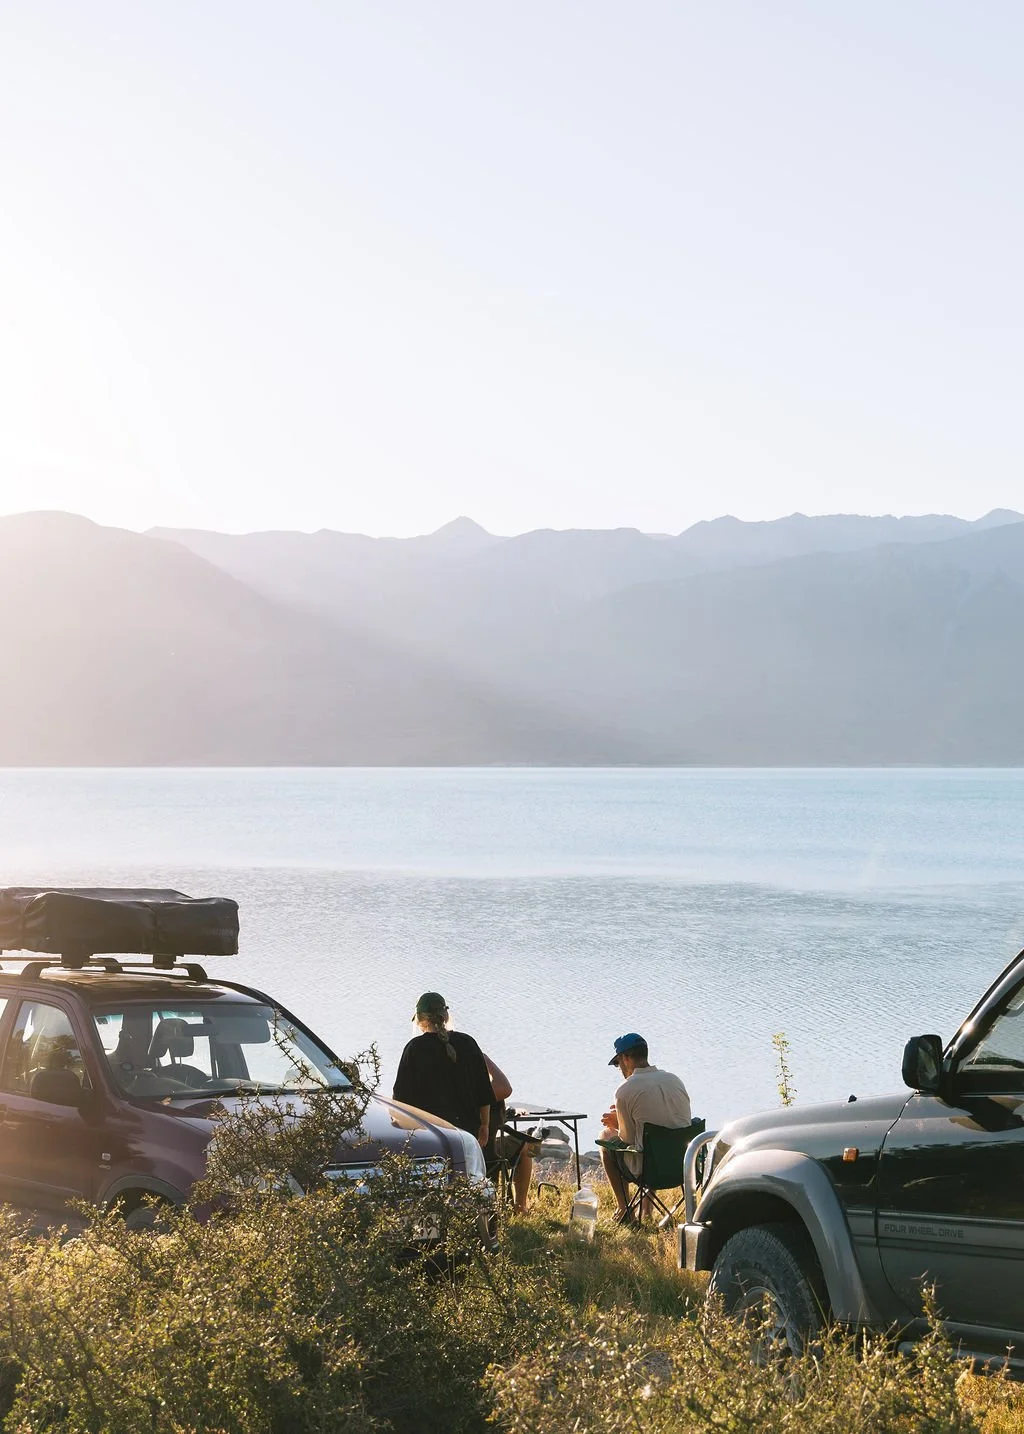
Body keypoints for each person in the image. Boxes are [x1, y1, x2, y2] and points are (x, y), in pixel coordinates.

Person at [599, 1032, 691, 1225]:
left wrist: (617, 1124)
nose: (619, 1068)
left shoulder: (625, 1090)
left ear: (625, 1058)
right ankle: (646, 1211)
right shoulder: (674, 1080)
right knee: (654, 1138)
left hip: (650, 1169)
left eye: (617, 1063)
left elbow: (628, 1140)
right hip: (681, 1165)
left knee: (606, 1136)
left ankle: (624, 1210)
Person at [392, 992, 493, 1147]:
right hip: (466, 1134)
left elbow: (400, 1097)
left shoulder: (415, 1049)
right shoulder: (468, 1042)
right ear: (446, 1015)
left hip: (429, 1136)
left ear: (419, 1019)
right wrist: (485, 1125)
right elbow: (484, 1091)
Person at [481, 1052, 537, 1214]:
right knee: (529, 1144)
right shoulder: (480, 1091)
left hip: (455, 1152)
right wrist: (483, 1058)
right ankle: (520, 1207)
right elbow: (505, 1088)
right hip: (486, 1154)